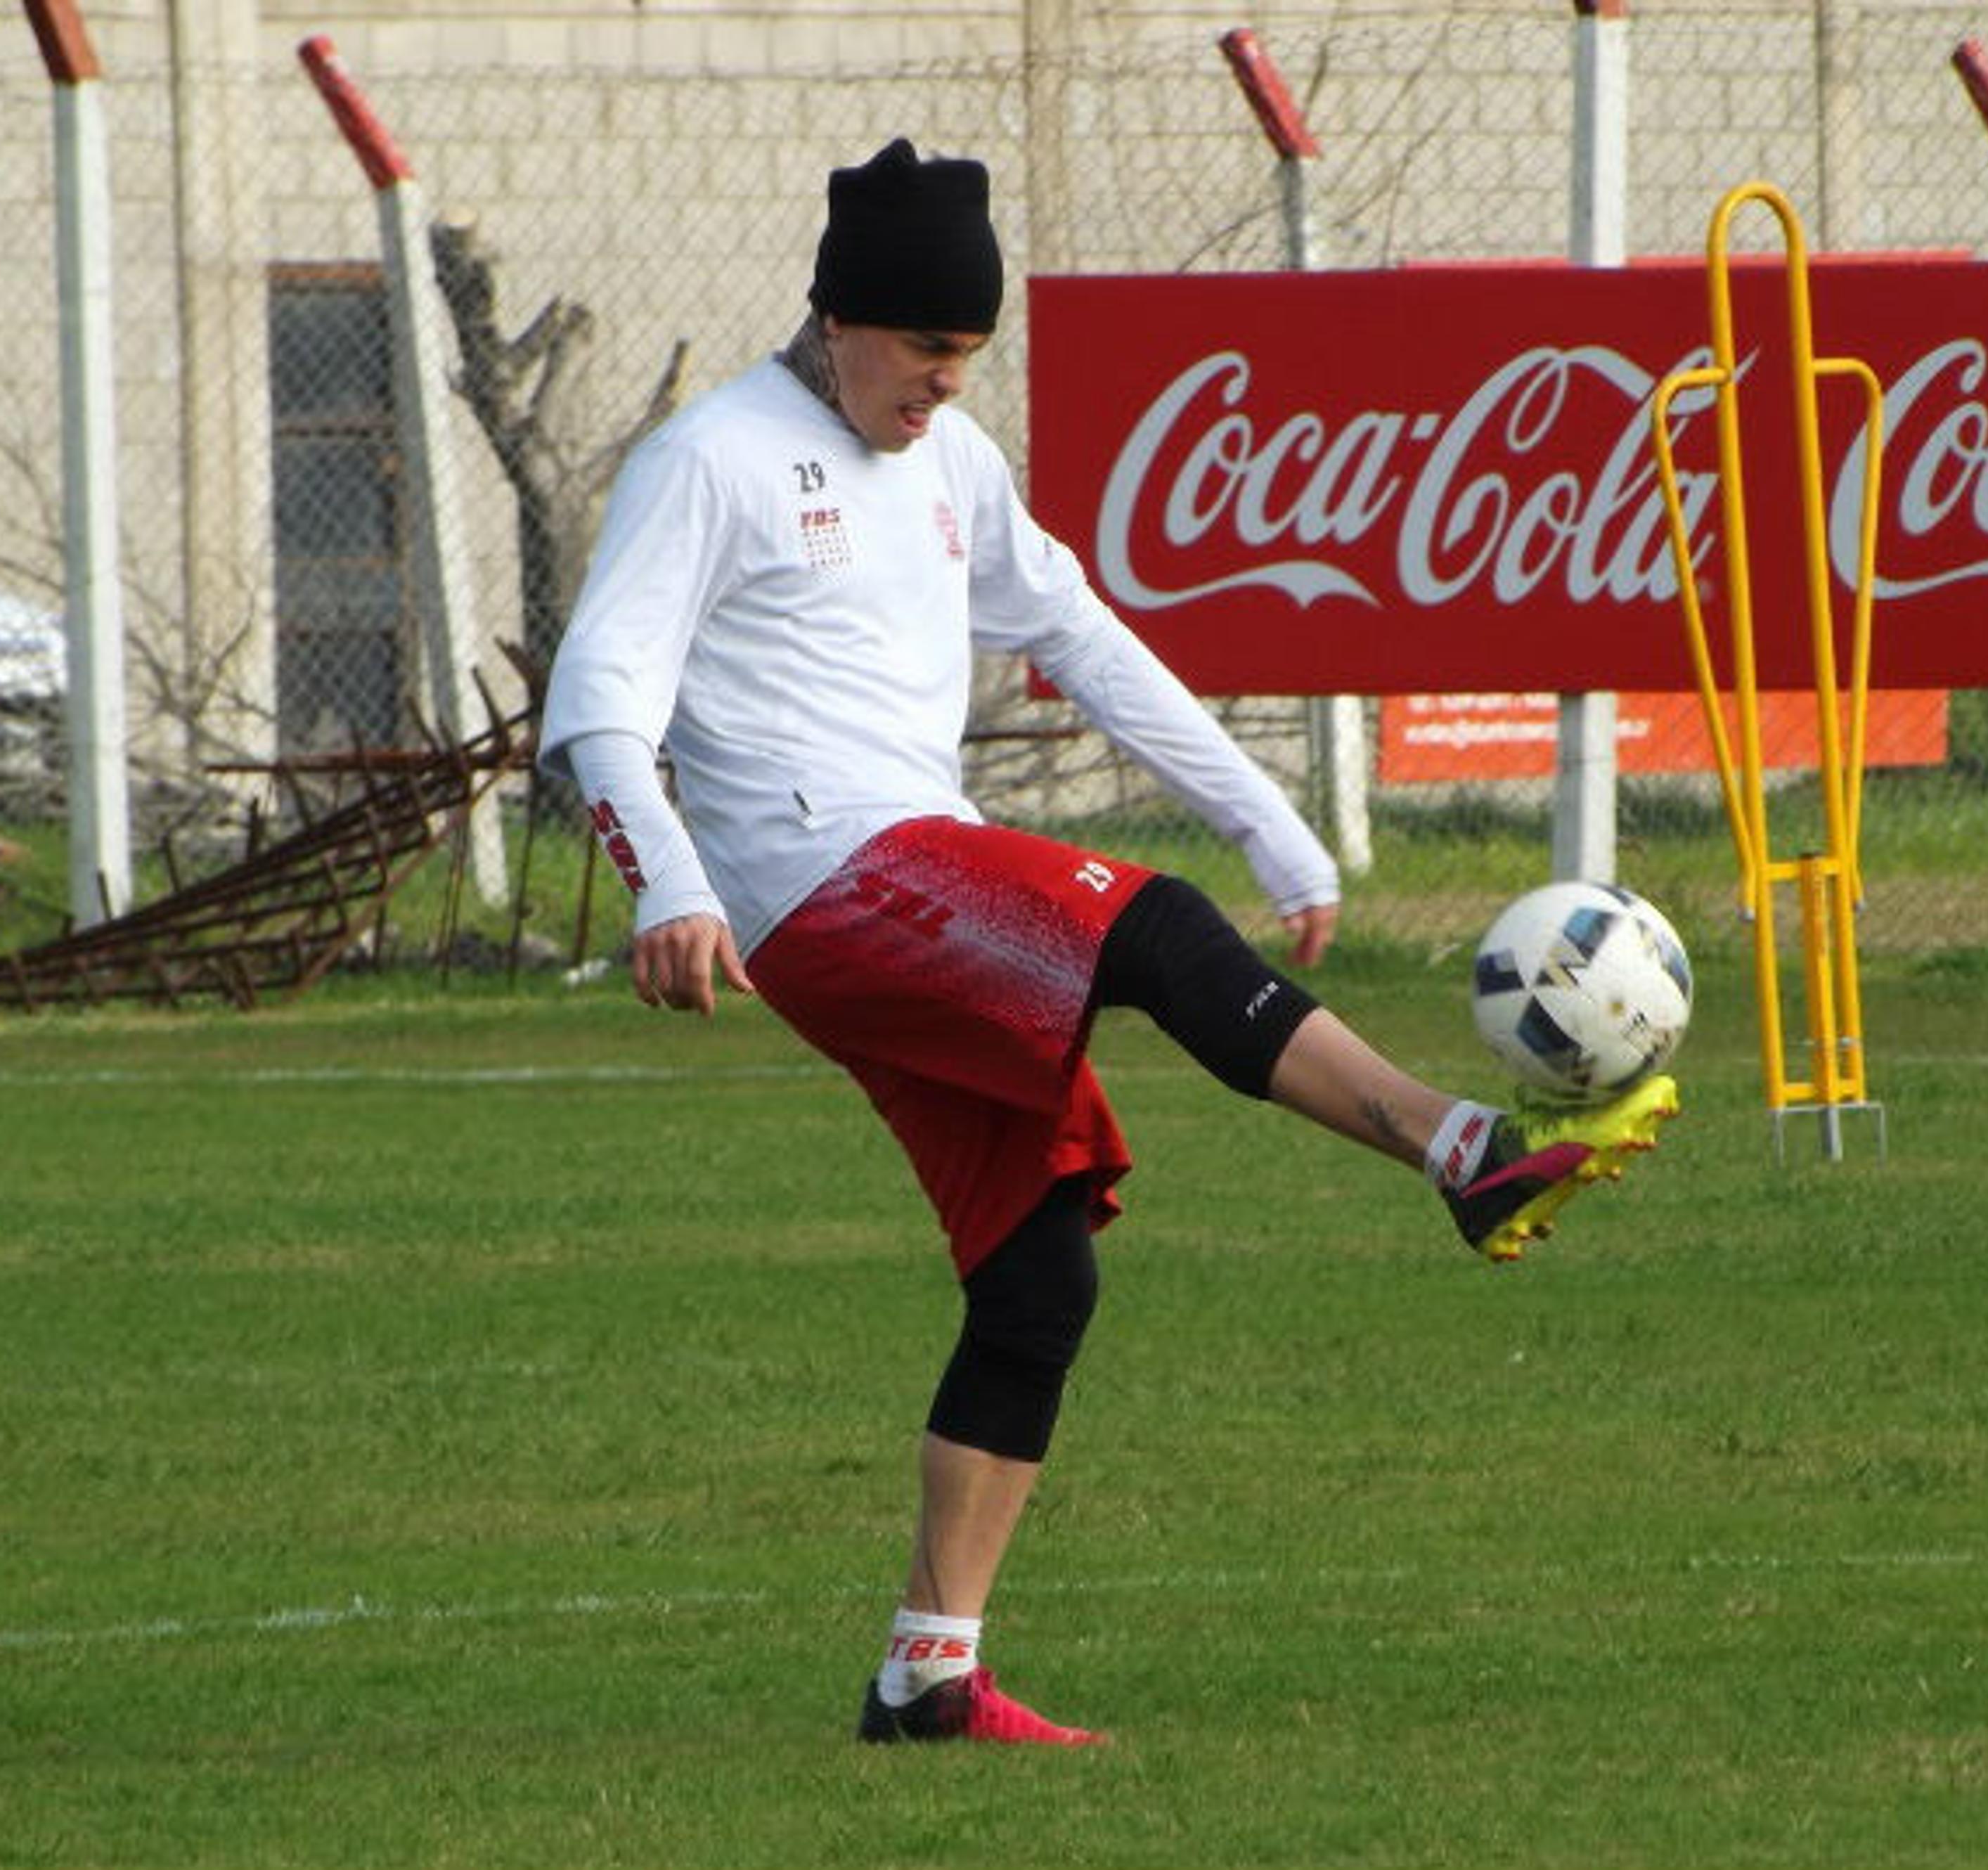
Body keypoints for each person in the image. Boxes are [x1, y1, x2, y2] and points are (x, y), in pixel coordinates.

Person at [538, 137, 1677, 1749]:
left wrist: (1270, 819)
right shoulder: (711, 460)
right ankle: (1464, 1146)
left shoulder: (949, 463)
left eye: (967, 357)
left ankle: (927, 1673)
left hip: (902, 880)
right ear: (842, 319)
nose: (944, 385)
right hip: (827, 882)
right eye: (926, 351)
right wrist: (666, 878)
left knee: (1037, 1273)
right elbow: (601, 698)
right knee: (1145, 926)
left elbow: (1079, 632)